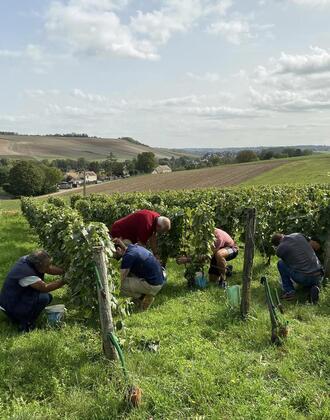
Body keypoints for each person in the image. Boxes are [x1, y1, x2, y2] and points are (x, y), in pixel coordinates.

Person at [0, 250, 66, 332]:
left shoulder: (29, 260)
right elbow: (45, 287)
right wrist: (65, 280)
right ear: (39, 265)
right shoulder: (27, 274)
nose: (49, 267)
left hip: (12, 299)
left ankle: (25, 315)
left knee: (47, 297)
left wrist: (64, 272)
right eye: (47, 266)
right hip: (11, 306)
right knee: (44, 298)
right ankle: (26, 323)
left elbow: (48, 269)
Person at [113, 239, 166, 310]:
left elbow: (119, 279)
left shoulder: (129, 256)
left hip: (153, 284)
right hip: (159, 280)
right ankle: (143, 296)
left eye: (114, 254)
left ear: (118, 249)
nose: (114, 257)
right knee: (129, 276)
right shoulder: (135, 248)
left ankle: (142, 297)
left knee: (117, 286)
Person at [271, 233, 323, 303]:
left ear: (277, 244)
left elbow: (286, 261)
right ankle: (314, 287)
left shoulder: (280, 248)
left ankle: (290, 292)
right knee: (308, 270)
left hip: (304, 277)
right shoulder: (298, 235)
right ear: (282, 235)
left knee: (280, 263)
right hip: (319, 274)